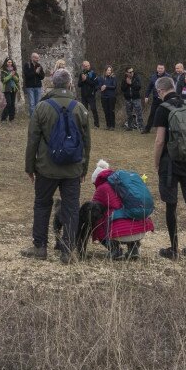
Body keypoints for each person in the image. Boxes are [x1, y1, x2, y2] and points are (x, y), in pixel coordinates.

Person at [23, 68, 91, 263]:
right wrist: (83, 169)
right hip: (72, 169)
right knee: (71, 209)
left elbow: (32, 140)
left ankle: (40, 247)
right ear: (70, 84)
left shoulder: (41, 108)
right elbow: (87, 143)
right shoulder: (80, 108)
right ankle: (68, 251)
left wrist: (30, 167)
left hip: (46, 167)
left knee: (42, 205)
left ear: (52, 84)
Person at [152, 76, 186, 260]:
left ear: (160, 91)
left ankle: (173, 248)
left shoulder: (162, 109)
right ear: (174, 87)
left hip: (169, 163)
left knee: (171, 205)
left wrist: (156, 162)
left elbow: (159, 141)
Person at [88, 160, 155, 260]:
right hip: (141, 231)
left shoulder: (102, 188)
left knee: (99, 220)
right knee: (126, 213)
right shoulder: (121, 184)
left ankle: (115, 250)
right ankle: (134, 249)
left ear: (97, 179)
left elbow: (92, 208)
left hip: (122, 234)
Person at [143, 64, 168, 134]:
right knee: (152, 114)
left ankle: (165, 130)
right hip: (155, 99)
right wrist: (146, 96)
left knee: (165, 115)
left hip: (164, 99)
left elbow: (171, 87)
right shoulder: (153, 77)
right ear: (157, 69)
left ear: (164, 69)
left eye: (161, 68)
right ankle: (147, 129)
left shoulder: (168, 77)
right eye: (159, 68)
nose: (160, 70)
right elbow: (149, 87)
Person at [78, 61, 100, 128]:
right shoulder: (81, 74)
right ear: (83, 66)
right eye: (86, 66)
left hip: (91, 95)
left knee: (93, 109)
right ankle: (85, 124)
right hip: (84, 95)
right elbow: (79, 85)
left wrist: (86, 79)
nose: (87, 67)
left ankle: (96, 124)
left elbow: (94, 84)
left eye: (88, 65)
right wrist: (82, 80)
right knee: (84, 111)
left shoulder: (93, 73)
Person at [120, 66, 143, 131]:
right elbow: (122, 88)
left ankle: (141, 127)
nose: (132, 73)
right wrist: (127, 84)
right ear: (126, 73)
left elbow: (139, 87)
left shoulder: (137, 77)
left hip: (136, 98)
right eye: (130, 72)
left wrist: (131, 83)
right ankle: (130, 127)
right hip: (128, 99)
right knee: (129, 114)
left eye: (132, 71)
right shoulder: (124, 79)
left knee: (139, 113)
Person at [23, 53, 45, 117]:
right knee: (32, 103)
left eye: (38, 58)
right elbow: (27, 75)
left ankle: (37, 116)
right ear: (32, 58)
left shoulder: (39, 66)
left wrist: (38, 73)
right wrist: (35, 72)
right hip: (30, 87)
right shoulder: (27, 65)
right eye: (36, 58)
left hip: (38, 86)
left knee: (38, 102)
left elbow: (42, 77)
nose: (38, 59)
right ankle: (33, 117)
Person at [98, 65, 118, 129]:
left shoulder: (113, 77)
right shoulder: (101, 78)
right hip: (104, 97)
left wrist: (106, 86)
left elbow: (114, 86)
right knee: (106, 111)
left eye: (110, 70)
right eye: (108, 70)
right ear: (105, 71)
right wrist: (101, 87)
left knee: (111, 111)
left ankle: (112, 126)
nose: (109, 71)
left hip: (111, 97)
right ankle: (108, 125)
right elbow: (99, 86)